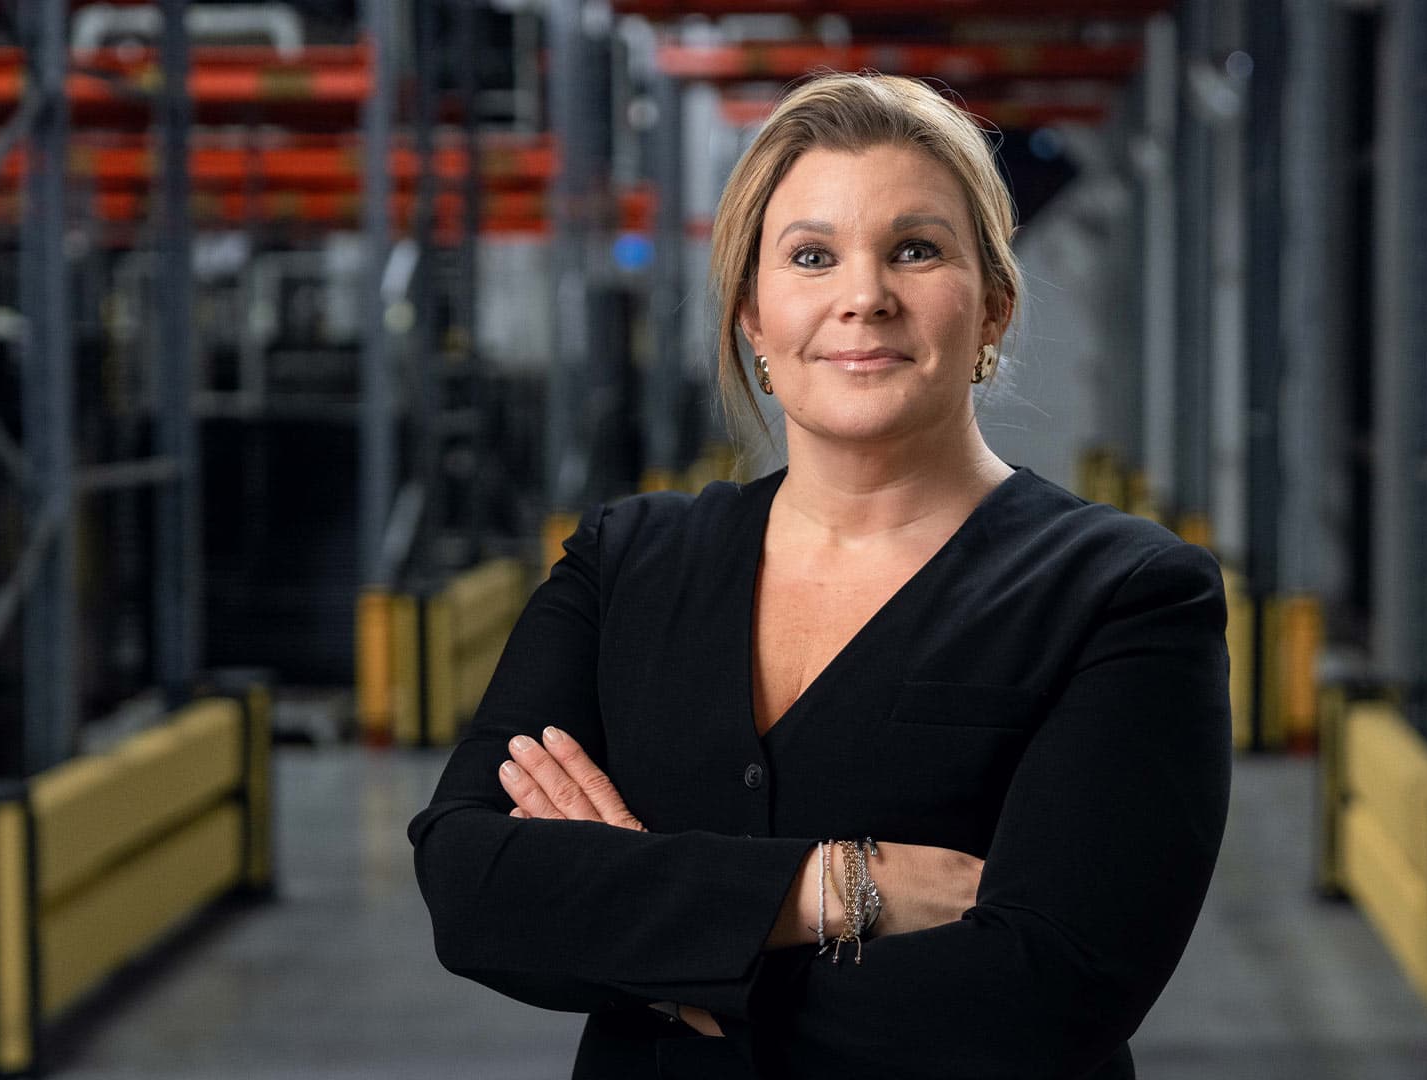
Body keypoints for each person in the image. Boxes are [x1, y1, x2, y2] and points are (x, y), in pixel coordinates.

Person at [409, 73, 1231, 1080]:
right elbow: (471, 884)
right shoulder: (626, 563)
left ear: (994, 309)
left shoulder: (1126, 593)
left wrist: (662, 952)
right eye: (811, 256)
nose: (864, 295)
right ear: (754, 316)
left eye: (916, 250)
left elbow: (1045, 993)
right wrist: (833, 888)